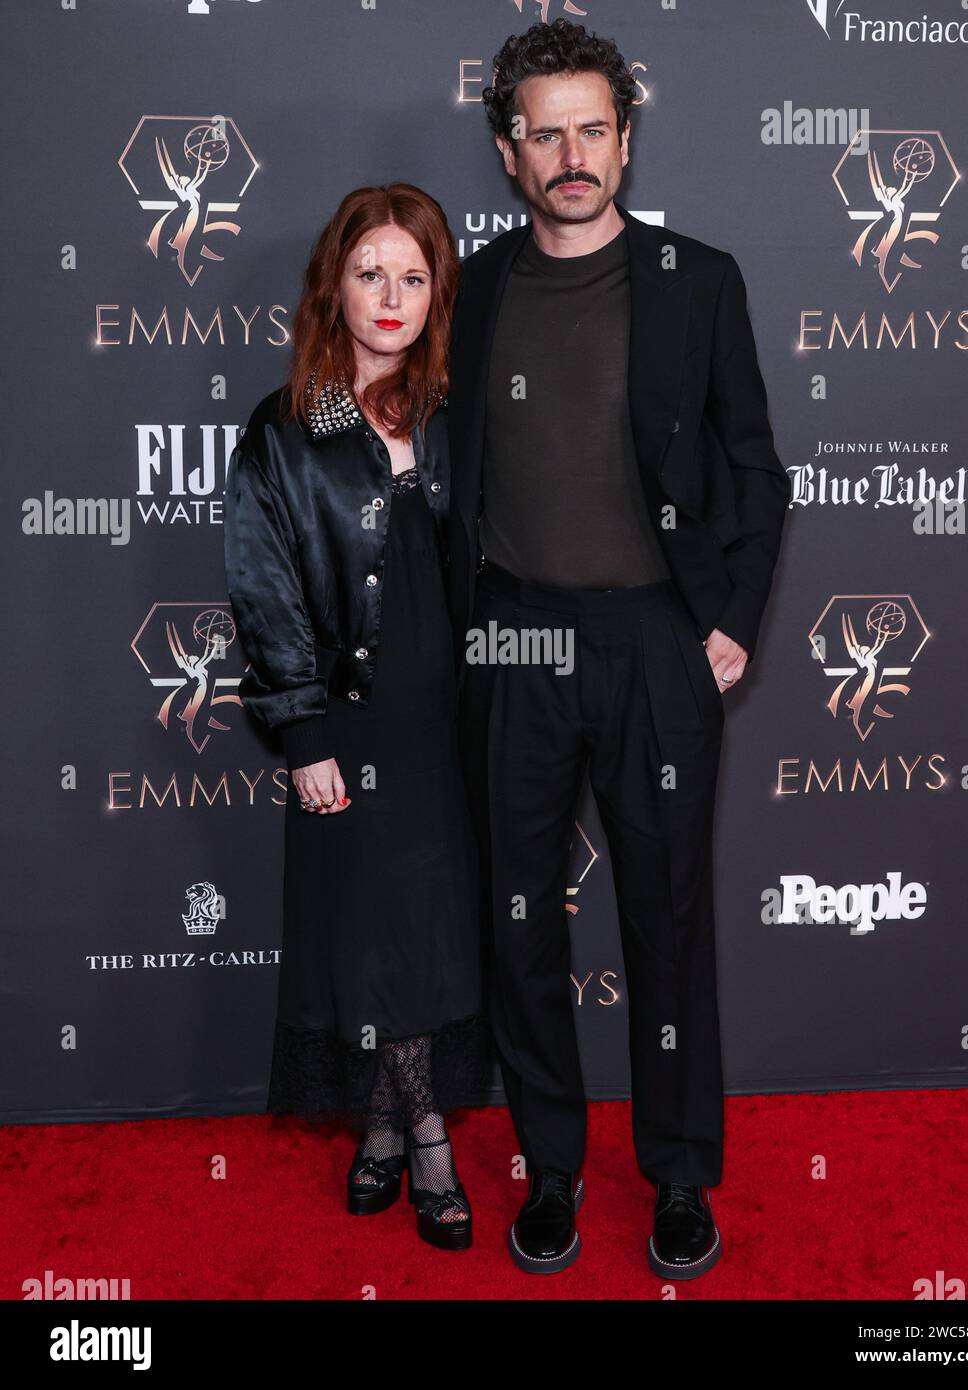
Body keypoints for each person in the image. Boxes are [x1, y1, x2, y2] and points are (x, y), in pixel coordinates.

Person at [448, 20, 791, 1277]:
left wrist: (728, 623)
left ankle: (680, 1176)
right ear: (507, 152)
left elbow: (755, 469)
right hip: (514, 639)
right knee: (521, 920)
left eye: (592, 127)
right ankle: (549, 1169)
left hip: (656, 639)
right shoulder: (470, 291)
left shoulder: (698, 280)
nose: (571, 152)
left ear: (627, 139)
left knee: (665, 918)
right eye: (544, 132)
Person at [223, 183, 491, 1252]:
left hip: (452, 723)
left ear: (439, 292)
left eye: (414, 276)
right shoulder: (285, 429)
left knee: (421, 935)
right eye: (370, 273)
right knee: (368, 933)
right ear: (332, 284)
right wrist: (302, 731)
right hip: (348, 720)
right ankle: (426, 1139)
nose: (391, 297)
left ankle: (380, 1128)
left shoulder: (460, 408)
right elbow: (264, 585)